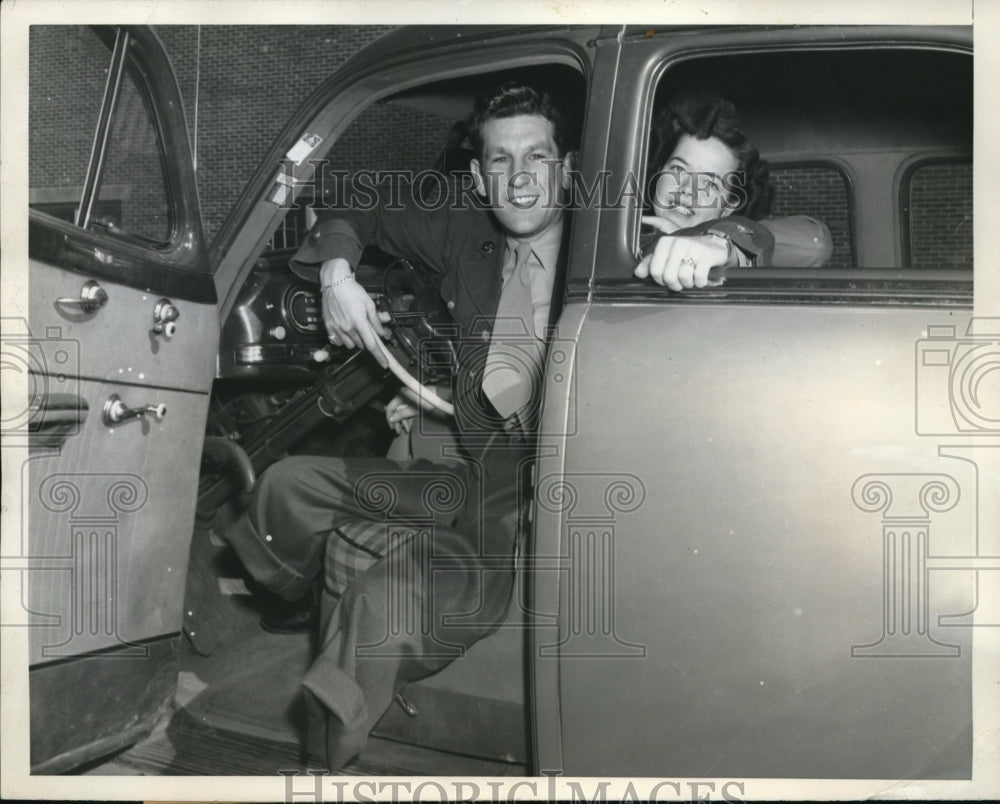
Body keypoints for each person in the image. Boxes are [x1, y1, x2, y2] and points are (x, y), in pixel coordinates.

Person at [223, 82, 831, 770]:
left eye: (537, 158)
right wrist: (336, 275)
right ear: (479, 178)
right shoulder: (466, 228)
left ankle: (327, 759)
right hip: (469, 466)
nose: (519, 179)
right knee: (287, 485)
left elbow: (811, 238)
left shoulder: (634, 237)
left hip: (539, 489)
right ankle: (287, 604)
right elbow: (358, 207)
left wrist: (724, 241)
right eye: (501, 162)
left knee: (386, 602)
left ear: (569, 166)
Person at [636, 91, 832, 290]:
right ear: (660, 172)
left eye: (711, 184)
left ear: (728, 207)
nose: (687, 189)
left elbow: (815, 246)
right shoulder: (618, 231)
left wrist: (718, 242)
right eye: (678, 169)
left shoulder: (725, 246)